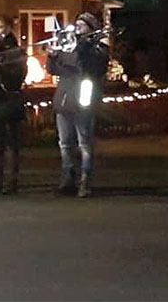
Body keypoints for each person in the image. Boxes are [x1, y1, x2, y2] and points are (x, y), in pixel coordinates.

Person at [48, 12, 109, 198]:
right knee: (65, 144)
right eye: (77, 24)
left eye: (82, 25)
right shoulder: (68, 46)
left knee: (85, 144)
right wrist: (52, 56)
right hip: (64, 99)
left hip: (83, 99)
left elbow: (83, 67)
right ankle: (67, 179)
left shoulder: (97, 49)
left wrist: (69, 52)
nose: (77, 28)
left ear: (91, 29)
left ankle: (85, 181)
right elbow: (55, 70)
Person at [0, 15, 28, 195]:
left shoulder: (15, 49)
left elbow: (18, 75)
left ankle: (12, 181)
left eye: (0, 28)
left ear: (9, 29)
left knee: (12, 143)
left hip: (10, 100)